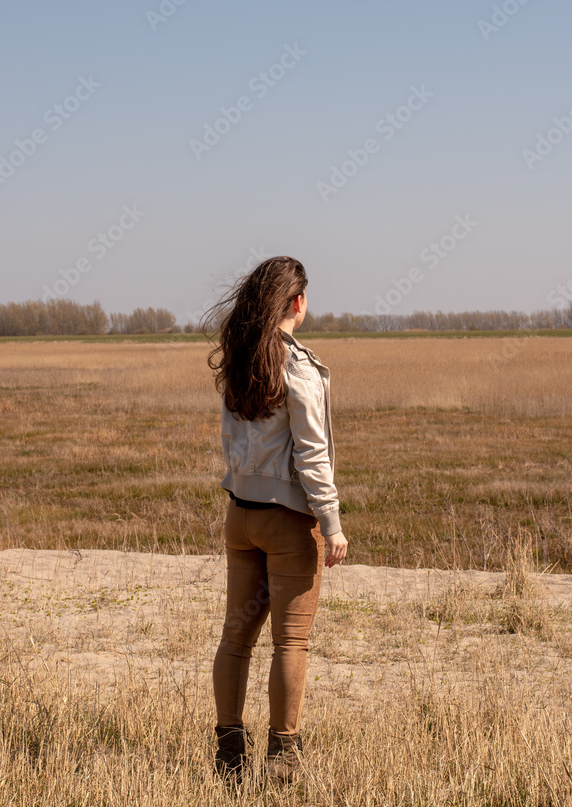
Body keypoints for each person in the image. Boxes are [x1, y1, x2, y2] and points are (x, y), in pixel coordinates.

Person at [203, 255, 348, 784]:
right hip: (286, 521)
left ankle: (228, 753)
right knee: (291, 642)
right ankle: (283, 759)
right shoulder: (298, 368)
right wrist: (331, 523)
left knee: (234, 638)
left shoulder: (240, 359)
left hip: (238, 516)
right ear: (298, 303)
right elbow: (312, 456)